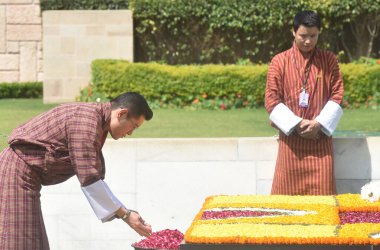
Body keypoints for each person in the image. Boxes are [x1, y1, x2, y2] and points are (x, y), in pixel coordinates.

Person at [0, 92, 153, 250]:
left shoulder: (96, 121)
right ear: (122, 113)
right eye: (133, 126)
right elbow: (90, 178)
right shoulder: (86, 120)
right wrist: (126, 216)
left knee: (34, 240)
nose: (130, 133)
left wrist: (126, 213)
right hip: (16, 172)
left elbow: (95, 177)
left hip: (24, 176)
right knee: (20, 241)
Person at [265, 11, 344, 195]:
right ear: (293, 33)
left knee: (323, 203)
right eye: (303, 36)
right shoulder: (279, 61)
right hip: (290, 144)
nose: (308, 41)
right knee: (286, 206)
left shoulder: (329, 60)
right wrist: (297, 124)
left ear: (319, 33)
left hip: (320, 143)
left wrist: (318, 124)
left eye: (313, 36)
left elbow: (337, 94)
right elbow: (271, 99)